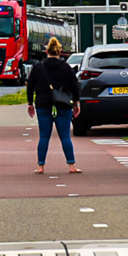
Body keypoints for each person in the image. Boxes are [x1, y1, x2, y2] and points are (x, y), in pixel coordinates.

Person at [26, 37, 82, 174]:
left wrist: (30, 103)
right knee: (65, 136)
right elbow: (74, 85)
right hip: (62, 104)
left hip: (43, 103)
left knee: (44, 136)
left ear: (46, 51)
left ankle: (41, 166)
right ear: (60, 51)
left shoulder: (38, 67)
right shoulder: (66, 67)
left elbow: (30, 86)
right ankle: (71, 165)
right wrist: (76, 103)